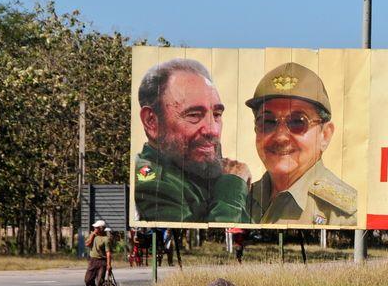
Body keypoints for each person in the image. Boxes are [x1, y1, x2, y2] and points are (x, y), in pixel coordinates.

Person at [134, 58, 251, 223]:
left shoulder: (195, 167)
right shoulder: (153, 185)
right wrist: (233, 186)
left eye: (216, 114)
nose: (213, 130)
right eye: (194, 115)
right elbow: (216, 235)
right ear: (151, 121)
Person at [246, 62, 357, 226]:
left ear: (324, 135)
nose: (281, 137)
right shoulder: (242, 200)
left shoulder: (344, 214)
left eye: (297, 122)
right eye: (267, 122)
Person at [84, 220, 112, 286]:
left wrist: (109, 265)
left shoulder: (106, 239)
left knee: (100, 281)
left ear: (101, 228)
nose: (95, 229)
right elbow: (87, 244)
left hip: (102, 262)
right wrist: (92, 235)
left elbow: (108, 252)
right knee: (88, 280)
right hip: (93, 261)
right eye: (95, 227)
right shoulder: (93, 235)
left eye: (96, 227)